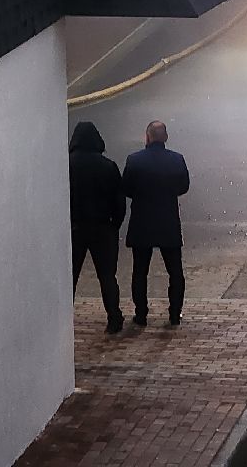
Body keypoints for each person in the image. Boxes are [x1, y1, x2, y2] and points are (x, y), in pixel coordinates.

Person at [123, 120, 190, 327]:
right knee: (175, 271)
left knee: (140, 271)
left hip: (142, 221)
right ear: (166, 138)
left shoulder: (134, 160)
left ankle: (141, 314)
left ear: (147, 137)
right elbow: (184, 187)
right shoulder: (177, 160)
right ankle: (174, 313)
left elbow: (126, 188)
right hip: (168, 221)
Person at [68, 120, 126, 334]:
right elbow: (119, 201)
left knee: (70, 277)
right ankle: (114, 317)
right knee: (107, 276)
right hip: (102, 228)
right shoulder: (108, 166)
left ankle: (65, 319)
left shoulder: (66, 165)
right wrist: (114, 225)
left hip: (74, 229)